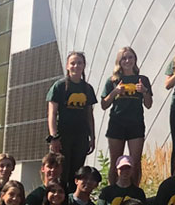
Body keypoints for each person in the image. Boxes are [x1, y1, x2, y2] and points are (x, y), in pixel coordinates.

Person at [100, 46, 153, 183]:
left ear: (135, 59)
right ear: (119, 61)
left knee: (135, 163)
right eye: (124, 58)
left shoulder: (143, 79)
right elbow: (104, 105)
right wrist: (114, 92)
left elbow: (148, 105)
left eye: (130, 57)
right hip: (117, 124)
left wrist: (145, 91)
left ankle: (134, 193)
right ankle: (113, 194)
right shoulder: (112, 80)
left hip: (136, 124)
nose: (127, 60)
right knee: (115, 163)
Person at [47, 51, 97, 173]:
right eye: (73, 63)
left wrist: (92, 137)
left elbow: (89, 115)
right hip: (63, 136)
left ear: (84, 65)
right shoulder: (59, 86)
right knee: (61, 171)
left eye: (79, 63)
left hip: (81, 136)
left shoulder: (87, 88)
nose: (76, 66)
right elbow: (52, 114)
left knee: (76, 172)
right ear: (67, 66)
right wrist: (54, 137)